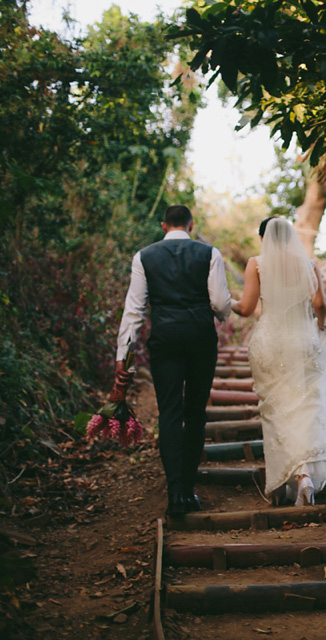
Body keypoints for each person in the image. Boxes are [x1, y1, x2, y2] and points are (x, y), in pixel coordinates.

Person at [113, 205, 233, 517]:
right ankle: (189, 488)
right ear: (191, 225)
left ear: (164, 225)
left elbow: (134, 311)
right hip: (200, 337)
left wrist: (122, 357)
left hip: (165, 338)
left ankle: (176, 492)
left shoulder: (144, 256)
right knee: (195, 412)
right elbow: (220, 303)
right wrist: (220, 315)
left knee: (169, 412)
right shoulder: (209, 254)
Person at [232, 217, 326, 506]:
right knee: (305, 407)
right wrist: (321, 324)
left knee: (277, 410)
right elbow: (320, 305)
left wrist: (220, 302)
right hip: (302, 340)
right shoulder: (309, 265)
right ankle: (304, 475)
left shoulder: (257, 264)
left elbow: (246, 308)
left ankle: (286, 478)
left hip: (271, 343)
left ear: (263, 238)